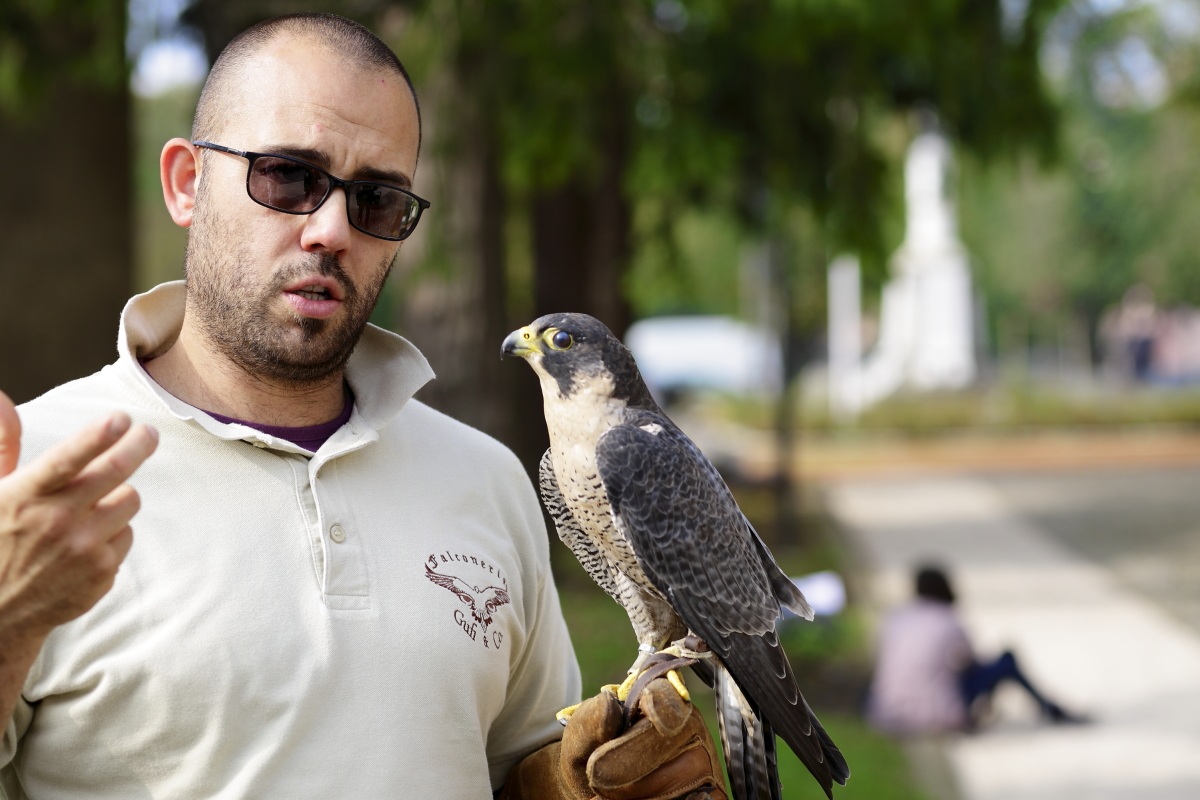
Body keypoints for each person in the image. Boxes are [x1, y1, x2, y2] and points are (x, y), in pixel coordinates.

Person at [0, 13, 725, 799]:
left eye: (376, 199)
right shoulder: (31, 479)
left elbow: (532, 767)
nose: (331, 229)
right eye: (287, 176)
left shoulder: (487, 479)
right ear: (185, 183)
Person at [865, 564, 1085, 734]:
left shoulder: (896, 618)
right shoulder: (949, 620)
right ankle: (1051, 710)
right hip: (938, 714)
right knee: (1006, 660)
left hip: (886, 712)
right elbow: (970, 661)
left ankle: (1051, 710)